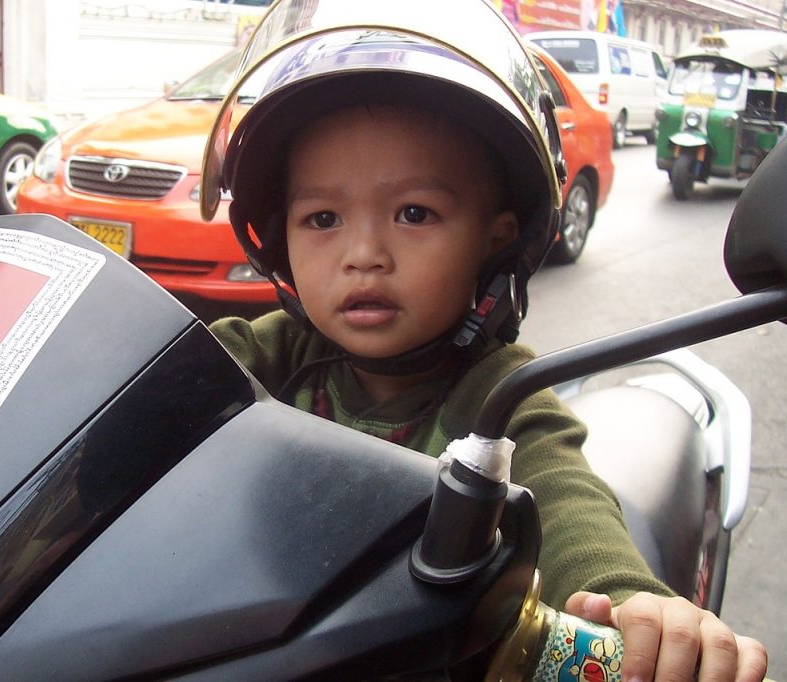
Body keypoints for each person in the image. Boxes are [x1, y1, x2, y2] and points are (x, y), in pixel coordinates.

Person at [199, 1, 768, 678]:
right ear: (278, 238)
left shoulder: (500, 397)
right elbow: (153, 375)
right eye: (322, 217)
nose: (363, 253)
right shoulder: (271, 355)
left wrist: (628, 603)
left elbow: (563, 500)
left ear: (495, 240)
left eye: (414, 213)